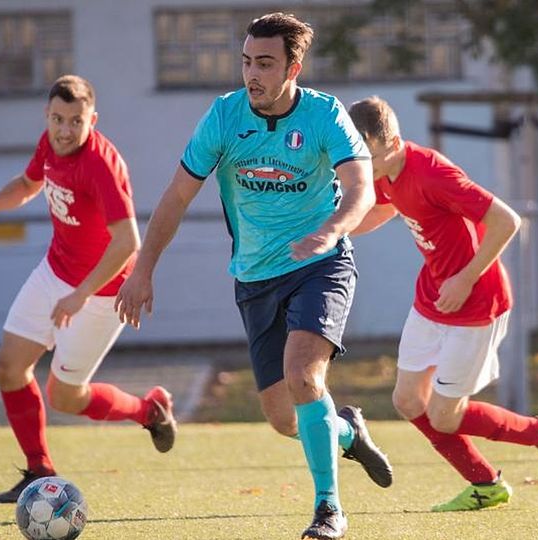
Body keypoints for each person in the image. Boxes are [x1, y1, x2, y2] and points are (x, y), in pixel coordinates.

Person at [115, 13, 392, 540]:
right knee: (284, 418)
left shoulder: (324, 114)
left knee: (304, 376)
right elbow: (176, 196)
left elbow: (362, 190)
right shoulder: (223, 117)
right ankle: (345, 432)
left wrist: (331, 232)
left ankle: (328, 511)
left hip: (321, 264)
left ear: (294, 67)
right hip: (255, 277)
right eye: (246, 62)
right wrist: (142, 269)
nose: (252, 74)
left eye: (265, 64)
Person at [0, 75, 177, 504]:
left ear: (93, 119)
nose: (65, 130)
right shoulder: (49, 143)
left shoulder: (100, 164)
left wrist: (80, 294)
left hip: (103, 291)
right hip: (55, 272)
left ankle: (148, 410)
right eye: (58, 119)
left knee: (65, 397)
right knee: (8, 367)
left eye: (76, 121)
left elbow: (128, 241)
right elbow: (27, 183)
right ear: (47, 116)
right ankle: (38, 471)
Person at [346, 95, 538, 511]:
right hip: (432, 297)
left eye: (368, 157)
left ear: (393, 143)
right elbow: (381, 210)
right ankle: (486, 485)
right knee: (408, 401)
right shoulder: (382, 171)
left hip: (475, 302)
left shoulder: (433, 174)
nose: (361, 167)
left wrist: (465, 280)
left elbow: (507, 220)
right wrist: (330, 231)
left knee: (444, 416)